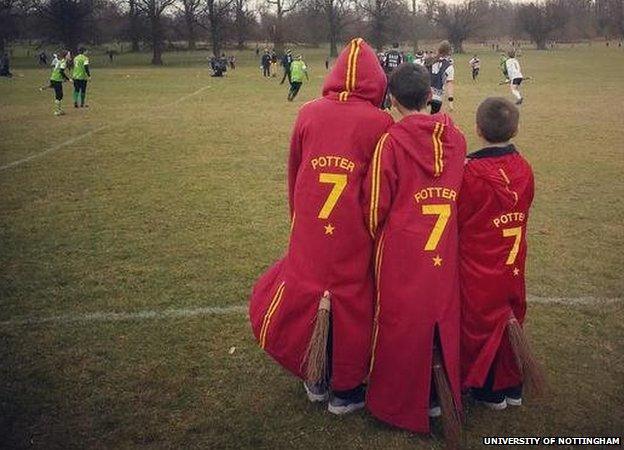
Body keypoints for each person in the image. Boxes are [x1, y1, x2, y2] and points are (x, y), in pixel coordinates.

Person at [249, 38, 393, 415]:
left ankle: (314, 376)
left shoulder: (308, 112)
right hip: (354, 228)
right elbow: (378, 184)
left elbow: (295, 170)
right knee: (354, 302)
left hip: (312, 223)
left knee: (310, 293)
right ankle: (345, 389)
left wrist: (298, 217)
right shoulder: (381, 122)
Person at [364, 62, 466, 441]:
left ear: (391, 99)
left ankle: (398, 402)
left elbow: (375, 205)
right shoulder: (457, 138)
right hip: (443, 251)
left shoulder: (390, 142)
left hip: (403, 254)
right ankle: (440, 395)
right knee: (441, 317)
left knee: (400, 324)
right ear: (430, 96)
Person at [459, 97, 544, 410]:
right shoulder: (524, 167)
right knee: (510, 316)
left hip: (480, 265)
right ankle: (510, 383)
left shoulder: (470, 173)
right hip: (513, 264)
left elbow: (459, 216)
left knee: (479, 323)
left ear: (478, 129)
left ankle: (489, 388)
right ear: (516, 129)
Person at [428, 40, 454, 114]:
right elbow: (449, 84)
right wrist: (450, 101)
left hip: (425, 95)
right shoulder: (449, 67)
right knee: (432, 121)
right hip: (437, 98)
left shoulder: (429, 61)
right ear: (449, 51)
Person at [48, 50, 70, 116]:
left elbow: (57, 71)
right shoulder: (63, 62)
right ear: (65, 56)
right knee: (59, 95)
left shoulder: (61, 61)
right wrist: (68, 79)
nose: (70, 56)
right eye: (69, 55)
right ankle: (57, 111)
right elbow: (61, 72)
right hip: (56, 80)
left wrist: (63, 79)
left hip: (54, 79)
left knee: (60, 95)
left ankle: (59, 110)